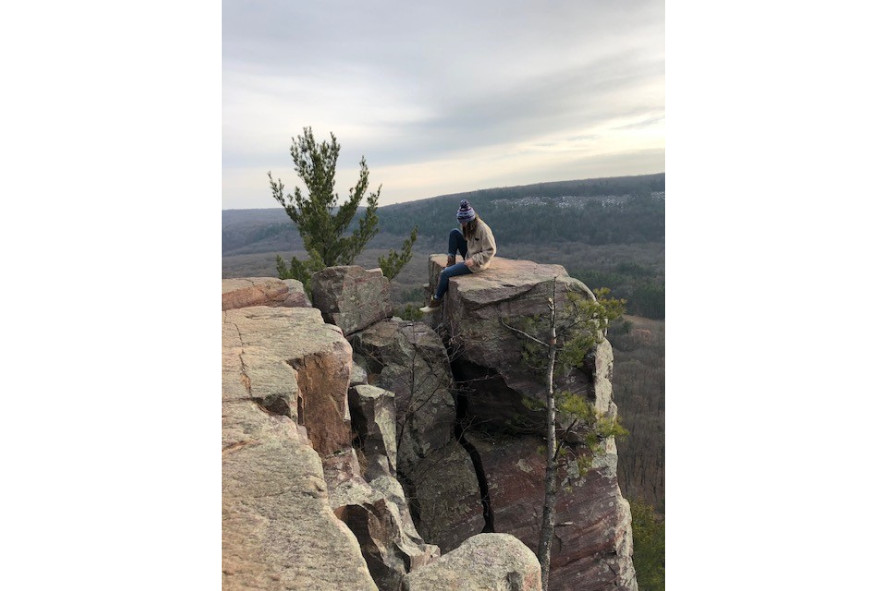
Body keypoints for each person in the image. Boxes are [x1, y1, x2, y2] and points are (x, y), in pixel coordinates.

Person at [421, 199, 496, 312]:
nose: (462, 224)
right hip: (470, 253)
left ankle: (436, 302)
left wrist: (474, 260)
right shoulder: (469, 226)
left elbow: (491, 250)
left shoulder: (483, 229)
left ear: (470, 219)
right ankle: (451, 262)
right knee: (454, 233)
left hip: (476, 264)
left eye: (463, 222)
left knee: (445, 273)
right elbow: (467, 240)